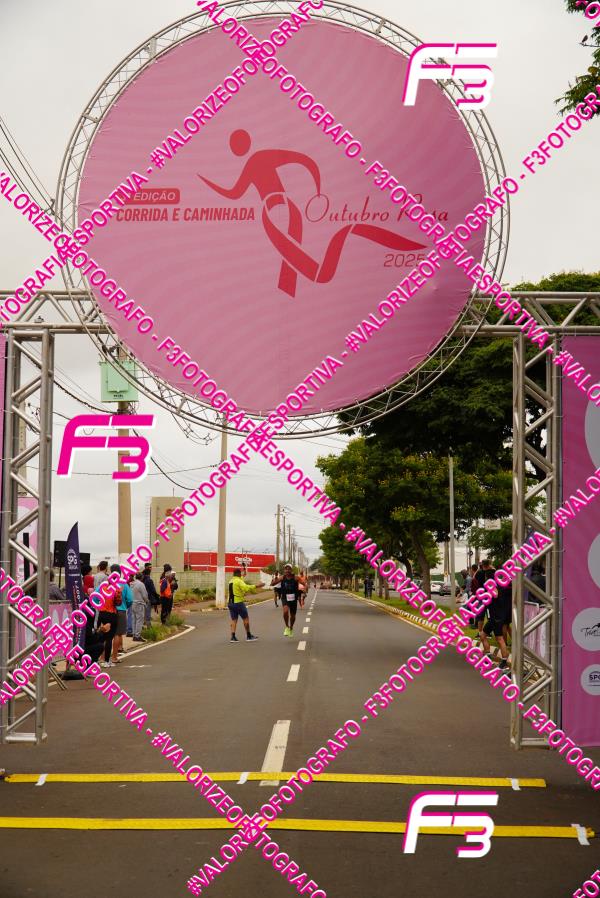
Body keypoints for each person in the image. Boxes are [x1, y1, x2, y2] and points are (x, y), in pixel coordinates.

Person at [481, 581, 511, 669]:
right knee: (482, 635)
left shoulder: (497, 590)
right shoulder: (498, 589)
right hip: (493, 618)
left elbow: (495, 595)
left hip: (497, 619)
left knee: (500, 639)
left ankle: (504, 661)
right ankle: (488, 656)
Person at [227, 568, 261, 642]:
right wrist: (257, 586)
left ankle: (233, 637)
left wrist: (244, 573)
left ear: (233, 574)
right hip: (238, 603)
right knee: (245, 619)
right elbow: (246, 588)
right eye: (241, 574)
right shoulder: (239, 581)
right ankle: (249, 636)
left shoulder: (231, 581)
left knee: (234, 620)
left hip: (230, 603)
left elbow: (241, 578)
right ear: (239, 574)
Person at [111, 565, 132, 664]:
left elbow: (96, 597)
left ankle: (103, 658)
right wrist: (125, 606)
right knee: (117, 634)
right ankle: (114, 657)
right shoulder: (124, 584)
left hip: (108, 611)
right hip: (121, 611)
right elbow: (130, 599)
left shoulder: (107, 583)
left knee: (106, 635)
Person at [272, 564, 300, 637]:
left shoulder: (296, 578)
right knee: (285, 611)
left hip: (293, 598)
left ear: (291, 570)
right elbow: (272, 584)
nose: (287, 570)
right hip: (285, 597)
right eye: (286, 569)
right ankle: (287, 627)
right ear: (284, 570)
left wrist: (305, 586)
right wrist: (275, 578)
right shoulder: (282, 577)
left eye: (289, 569)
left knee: (293, 616)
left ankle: (291, 627)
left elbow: (303, 583)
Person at [472, 559, 494, 641]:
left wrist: (478, 568)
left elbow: (474, 578)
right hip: (489, 595)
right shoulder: (492, 571)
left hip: (481, 595)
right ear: (489, 564)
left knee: (480, 616)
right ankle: (489, 632)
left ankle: (480, 632)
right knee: (490, 615)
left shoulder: (479, 572)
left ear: (482, 565)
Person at [131, 572, 149, 642]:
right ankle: (137, 635)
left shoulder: (132, 584)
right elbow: (144, 595)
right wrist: (147, 601)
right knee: (139, 620)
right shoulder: (141, 584)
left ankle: (134, 634)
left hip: (133, 603)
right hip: (139, 603)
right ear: (141, 577)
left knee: (134, 619)